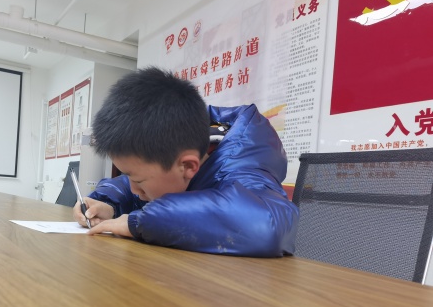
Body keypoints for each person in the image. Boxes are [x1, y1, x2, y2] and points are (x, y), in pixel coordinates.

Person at [73, 66, 298, 257]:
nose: (134, 189)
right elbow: (134, 184)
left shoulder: (244, 168)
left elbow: (267, 226)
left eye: (138, 181)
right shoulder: (178, 146)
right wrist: (108, 203)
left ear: (188, 166)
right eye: (129, 176)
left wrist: (139, 222)